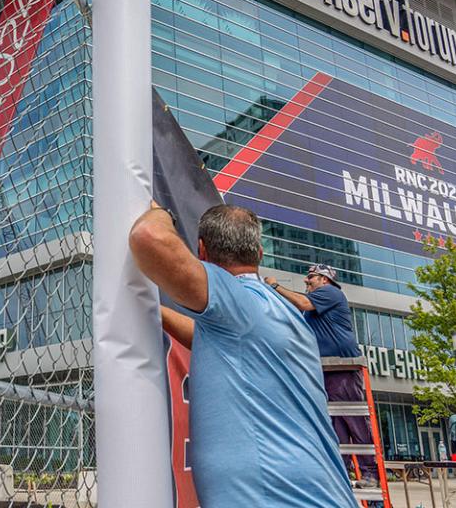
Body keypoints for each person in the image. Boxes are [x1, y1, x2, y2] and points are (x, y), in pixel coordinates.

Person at [129, 203, 356, 507]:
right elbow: (213, 339)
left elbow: (148, 237)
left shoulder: (238, 300)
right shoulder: (275, 313)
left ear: (201, 251)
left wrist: (165, 214)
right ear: (259, 254)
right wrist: (155, 312)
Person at [266, 264, 379, 487]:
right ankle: (342, 473)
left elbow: (302, 302)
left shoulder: (329, 293)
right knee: (337, 425)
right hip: (324, 369)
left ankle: (370, 472)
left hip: (343, 367)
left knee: (354, 421)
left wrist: (275, 285)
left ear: (325, 279)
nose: (307, 281)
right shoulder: (313, 309)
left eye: (311, 277)